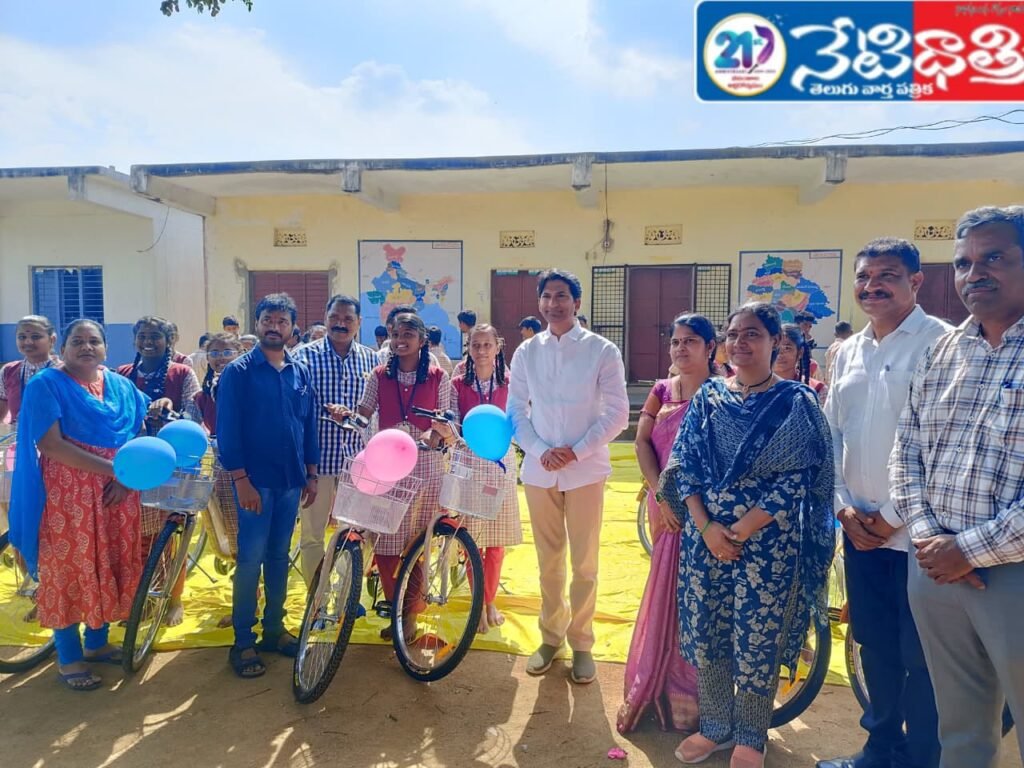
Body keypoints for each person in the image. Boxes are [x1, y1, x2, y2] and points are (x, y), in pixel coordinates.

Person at [659, 302, 834, 768]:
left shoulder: (795, 404)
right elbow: (685, 465)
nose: (741, 342)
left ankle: (751, 736)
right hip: (705, 544)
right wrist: (707, 528)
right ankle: (716, 727)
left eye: (752, 333)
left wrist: (738, 529)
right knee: (710, 633)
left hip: (767, 545)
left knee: (758, 639)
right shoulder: (709, 397)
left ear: (776, 341)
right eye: (734, 333)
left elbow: (797, 479)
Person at [891, 205, 1024, 768]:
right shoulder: (942, 353)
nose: (976, 273)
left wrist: (963, 550)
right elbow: (906, 453)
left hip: (1012, 574)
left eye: (995, 257)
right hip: (935, 572)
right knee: (962, 730)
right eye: (965, 263)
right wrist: (929, 540)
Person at [819, 238, 949, 768]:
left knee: (922, 656)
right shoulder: (848, 350)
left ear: (915, 282)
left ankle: (922, 756)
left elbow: (940, 441)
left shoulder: (941, 343)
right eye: (865, 276)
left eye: (887, 275)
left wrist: (891, 516)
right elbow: (831, 434)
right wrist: (843, 506)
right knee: (873, 643)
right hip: (858, 531)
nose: (873, 286)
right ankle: (880, 748)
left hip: (918, 536)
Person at [9, 319, 151, 691]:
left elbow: (136, 431)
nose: (86, 347)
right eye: (78, 341)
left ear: (105, 348)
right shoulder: (46, 385)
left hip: (117, 493)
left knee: (109, 561)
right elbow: (52, 445)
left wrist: (124, 477)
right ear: (64, 345)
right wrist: (115, 470)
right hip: (68, 494)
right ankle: (69, 657)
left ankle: (97, 642)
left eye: (94, 341)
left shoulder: (120, 386)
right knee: (70, 567)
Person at [507, 269, 629, 685]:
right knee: (548, 563)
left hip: (586, 472)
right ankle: (550, 637)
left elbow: (617, 414)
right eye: (546, 296)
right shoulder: (527, 353)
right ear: (539, 302)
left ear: (577, 303)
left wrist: (575, 452)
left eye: (562, 296)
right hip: (540, 473)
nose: (553, 303)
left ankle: (581, 643)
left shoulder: (602, 350)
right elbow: (515, 413)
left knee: (585, 563)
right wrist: (541, 451)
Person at [618, 314, 717, 735]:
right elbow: (642, 441)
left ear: (711, 347)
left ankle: (699, 695)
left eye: (690, 341)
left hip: (711, 512)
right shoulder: (662, 391)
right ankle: (659, 683)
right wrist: (659, 492)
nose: (679, 349)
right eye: (675, 341)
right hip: (667, 504)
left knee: (704, 594)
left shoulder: (724, 392)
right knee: (667, 587)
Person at [216, 292, 319, 679]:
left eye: (281, 321)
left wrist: (310, 473)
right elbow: (228, 431)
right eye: (267, 320)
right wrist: (241, 481)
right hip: (254, 484)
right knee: (249, 561)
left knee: (279, 559)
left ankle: (274, 631)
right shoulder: (238, 373)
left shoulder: (299, 371)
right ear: (256, 325)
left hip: (291, 481)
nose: (274, 326)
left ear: (292, 328)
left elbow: (307, 425)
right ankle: (243, 641)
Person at [344, 312, 451, 638]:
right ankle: (398, 606)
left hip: (427, 468)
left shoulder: (437, 377)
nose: (400, 339)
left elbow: (446, 421)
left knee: (417, 545)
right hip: (388, 466)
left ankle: (409, 619)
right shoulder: (378, 376)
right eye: (395, 333)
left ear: (422, 340)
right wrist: (347, 415)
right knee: (386, 546)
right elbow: (364, 413)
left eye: (408, 333)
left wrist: (436, 435)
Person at [116, 315, 201, 627]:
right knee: (139, 539)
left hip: (176, 467)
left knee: (171, 537)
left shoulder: (182, 373)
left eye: (156, 336)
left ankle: (174, 599)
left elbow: (193, 415)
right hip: (136, 468)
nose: (148, 342)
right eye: (142, 336)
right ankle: (144, 601)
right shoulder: (123, 374)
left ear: (170, 341)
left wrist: (169, 413)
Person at [293, 295, 377, 586]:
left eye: (348, 319)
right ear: (326, 318)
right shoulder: (303, 357)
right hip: (317, 463)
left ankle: (345, 597)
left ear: (359, 323)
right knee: (313, 535)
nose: (341, 324)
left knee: (355, 532)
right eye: (335, 318)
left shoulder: (372, 359)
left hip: (357, 462)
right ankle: (316, 601)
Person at [449, 324, 522, 633]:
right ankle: (478, 603)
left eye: (486, 345)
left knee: (496, 540)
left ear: (498, 346)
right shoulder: (456, 383)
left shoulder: (511, 381)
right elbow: (452, 419)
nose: (480, 350)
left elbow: (520, 419)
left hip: (500, 461)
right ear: (468, 347)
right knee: (471, 538)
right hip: (468, 459)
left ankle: (489, 601)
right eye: (475, 345)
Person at [0, 315, 59, 426]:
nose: (28, 342)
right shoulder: (8, 371)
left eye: (35, 337)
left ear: (52, 339)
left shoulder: (63, 372)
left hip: (54, 440)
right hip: (18, 439)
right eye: (22, 337)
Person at [774, 324, 828, 403]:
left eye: (787, 348)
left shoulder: (817, 389)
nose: (780, 353)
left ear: (800, 352)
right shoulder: (755, 388)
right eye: (775, 347)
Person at [823, 321, 853, 387]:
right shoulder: (846, 347)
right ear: (850, 333)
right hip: (839, 386)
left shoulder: (831, 347)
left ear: (835, 333)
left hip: (829, 385)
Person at [794, 310, 821, 378]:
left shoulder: (809, 341)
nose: (807, 328)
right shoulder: (788, 340)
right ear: (797, 324)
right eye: (805, 324)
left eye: (810, 326)